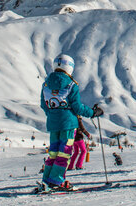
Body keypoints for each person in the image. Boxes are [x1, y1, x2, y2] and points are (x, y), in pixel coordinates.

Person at [40, 54, 102, 191]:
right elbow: (77, 107)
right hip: (68, 124)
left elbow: (43, 105)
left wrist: (53, 114)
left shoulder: (46, 84)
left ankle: (47, 179)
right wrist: (93, 113)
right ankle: (56, 180)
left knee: (54, 152)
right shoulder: (71, 84)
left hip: (53, 123)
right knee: (65, 152)